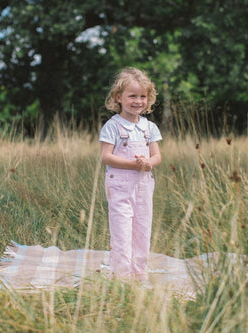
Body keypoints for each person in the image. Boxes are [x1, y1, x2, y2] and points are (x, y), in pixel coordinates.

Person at [99, 67, 162, 281]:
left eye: (142, 96)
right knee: (122, 232)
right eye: (132, 96)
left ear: (149, 98)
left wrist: (148, 163)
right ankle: (121, 277)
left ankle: (139, 274)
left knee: (142, 230)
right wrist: (133, 165)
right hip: (120, 188)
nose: (138, 101)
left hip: (143, 186)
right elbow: (106, 157)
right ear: (119, 97)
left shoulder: (149, 127)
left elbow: (157, 156)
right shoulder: (113, 126)